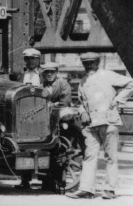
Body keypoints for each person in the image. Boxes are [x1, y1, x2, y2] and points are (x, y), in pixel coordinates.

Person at [68, 52, 133, 200]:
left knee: (110, 156)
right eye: (85, 63)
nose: (88, 66)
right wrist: (82, 110)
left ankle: (110, 189)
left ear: (97, 63)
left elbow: (131, 83)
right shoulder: (83, 81)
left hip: (108, 121)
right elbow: (81, 101)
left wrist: (118, 100)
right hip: (91, 125)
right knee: (89, 156)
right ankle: (86, 189)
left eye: (91, 63)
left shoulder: (108, 75)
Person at [40, 62, 72, 193]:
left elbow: (65, 102)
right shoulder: (41, 85)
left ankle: (59, 183)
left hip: (60, 122)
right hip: (44, 123)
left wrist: (52, 104)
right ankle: (46, 182)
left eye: (51, 72)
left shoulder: (63, 84)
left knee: (58, 153)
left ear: (56, 73)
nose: (49, 74)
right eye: (46, 72)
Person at [15, 47, 43, 189]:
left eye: (33, 58)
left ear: (38, 60)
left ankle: (45, 179)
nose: (30, 61)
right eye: (27, 58)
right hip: (24, 112)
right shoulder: (20, 74)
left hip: (40, 111)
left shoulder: (44, 74)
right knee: (24, 146)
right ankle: (25, 180)